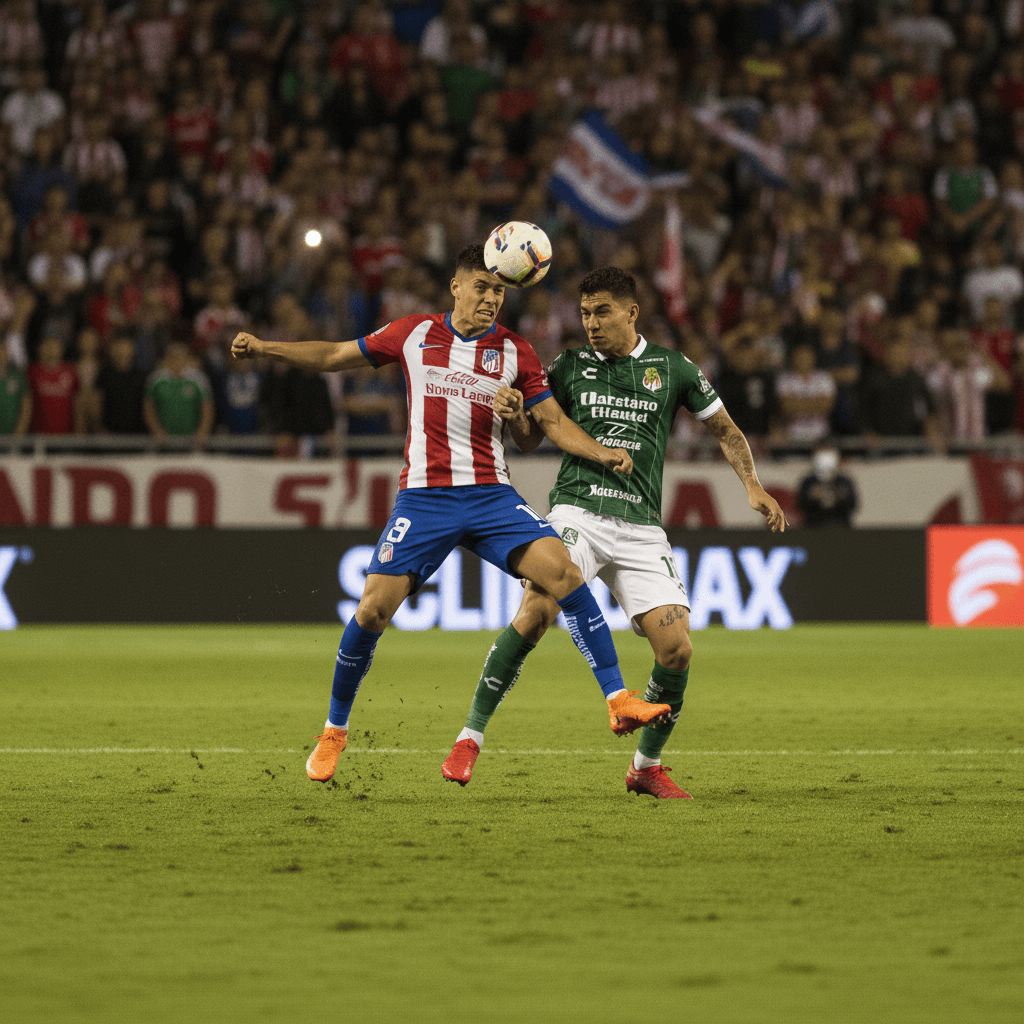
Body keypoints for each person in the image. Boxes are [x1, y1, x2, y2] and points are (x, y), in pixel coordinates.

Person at [230, 245, 671, 784]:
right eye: (481, 287)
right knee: (371, 611)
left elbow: (549, 425)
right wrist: (265, 347)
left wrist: (595, 450)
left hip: (491, 495)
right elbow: (333, 356)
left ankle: (618, 698)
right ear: (456, 288)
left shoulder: (516, 351)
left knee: (565, 576)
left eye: (499, 291)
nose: (491, 299)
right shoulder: (413, 333)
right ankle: (334, 730)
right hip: (425, 498)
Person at [440, 267, 787, 800]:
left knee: (677, 650)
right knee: (536, 612)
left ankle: (645, 766)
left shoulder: (672, 368)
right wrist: (516, 417)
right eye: (585, 314)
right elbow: (531, 438)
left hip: (641, 525)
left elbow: (725, 428)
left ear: (631, 312)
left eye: (602, 312)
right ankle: (469, 738)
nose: (591, 324)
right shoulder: (569, 365)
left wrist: (753, 485)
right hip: (577, 512)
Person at [796, 443, 858, 527]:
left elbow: (853, 505)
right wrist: (812, 497)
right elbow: (800, 505)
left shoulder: (844, 481)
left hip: (840, 525)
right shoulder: (808, 481)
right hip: (814, 525)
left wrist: (841, 497)